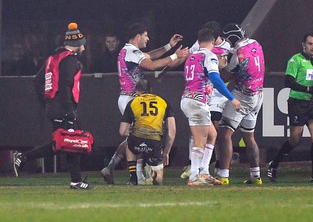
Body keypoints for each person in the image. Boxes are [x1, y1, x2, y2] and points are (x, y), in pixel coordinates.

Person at [100, 23, 189, 184]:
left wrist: (169, 46)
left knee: (135, 137)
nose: (148, 38)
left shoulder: (130, 51)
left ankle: (114, 168)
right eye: (146, 35)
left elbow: (150, 56)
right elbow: (152, 64)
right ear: (138, 36)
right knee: (137, 136)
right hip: (131, 98)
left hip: (131, 98)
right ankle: (136, 175)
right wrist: (175, 55)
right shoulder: (130, 51)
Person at [13, 22, 93, 189]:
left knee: (64, 143)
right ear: (77, 44)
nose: (84, 49)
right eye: (83, 45)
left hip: (54, 107)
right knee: (72, 142)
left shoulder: (53, 58)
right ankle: (76, 181)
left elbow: (37, 80)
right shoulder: (69, 60)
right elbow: (65, 86)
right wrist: (69, 111)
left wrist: (47, 102)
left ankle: (25, 157)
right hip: (64, 108)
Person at [267, 33, 313, 183]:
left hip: (312, 104)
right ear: (304, 45)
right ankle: (274, 164)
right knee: (295, 139)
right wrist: (308, 89)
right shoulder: (295, 60)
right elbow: (288, 82)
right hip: (297, 103)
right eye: (310, 44)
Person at [180, 27, 240, 186]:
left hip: (189, 99)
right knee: (201, 139)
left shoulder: (191, 57)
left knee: (212, 134)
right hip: (198, 101)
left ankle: (204, 172)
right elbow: (215, 78)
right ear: (213, 41)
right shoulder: (210, 56)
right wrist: (231, 98)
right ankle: (194, 175)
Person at [217, 23, 265, 185]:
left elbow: (225, 77)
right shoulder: (256, 43)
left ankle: (223, 175)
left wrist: (220, 64)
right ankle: (256, 176)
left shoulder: (237, 53)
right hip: (258, 94)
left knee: (224, 134)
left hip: (243, 96)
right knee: (249, 136)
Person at [119, 79, 176, 185]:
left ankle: (133, 177)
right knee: (159, 180)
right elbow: (172, 132)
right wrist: (166, 152)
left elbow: (122, 131)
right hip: (155, 141)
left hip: (137, 139)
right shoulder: (163, 102)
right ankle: (153, 174)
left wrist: (131, 132)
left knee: (129, 144)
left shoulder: (133, 102)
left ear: (137, 92)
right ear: (151, 90)